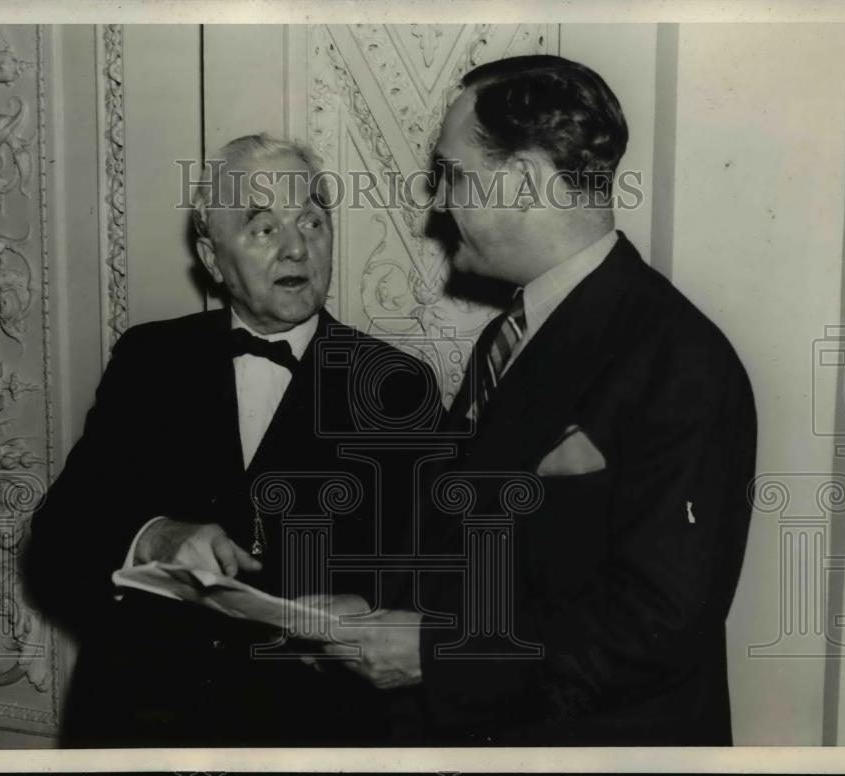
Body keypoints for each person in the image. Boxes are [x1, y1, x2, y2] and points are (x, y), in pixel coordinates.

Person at [313, 55, 758, 746]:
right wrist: (380, 616)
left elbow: (656, 625)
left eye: (453, 176)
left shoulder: (681, 359)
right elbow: (480, 545)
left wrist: (435, 652)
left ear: (520, 183)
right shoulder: (511, 333)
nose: (438, 204)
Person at [23, 134, 442, 747]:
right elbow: (61, 539)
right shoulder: (149, 359)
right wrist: (153, 535)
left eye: (311, 221)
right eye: (263, 228)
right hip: (144, 724)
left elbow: (425, 575)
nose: (297, 246)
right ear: (213, 258)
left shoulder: (399, 386)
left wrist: (363, 608)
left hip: (306, 731)